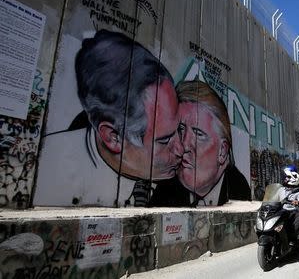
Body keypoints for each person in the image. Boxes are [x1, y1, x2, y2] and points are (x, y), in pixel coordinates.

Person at [34, 30, 188, 207]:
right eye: (165, 139)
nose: (181, 149)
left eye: (178, 130)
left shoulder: (179, 182)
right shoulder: (48, 171)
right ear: (112, 137)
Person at [175, 80, 251, 206]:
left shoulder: (239, 193)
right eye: (180, 129)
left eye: (198, 134)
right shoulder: (166, 188)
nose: (184, 145)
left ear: (222, 151)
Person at [277, 165, 299, 244]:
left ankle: (298, 233)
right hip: (284, 208)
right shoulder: (283, 185)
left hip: (296, 207)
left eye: (286, 176)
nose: (284, 177)